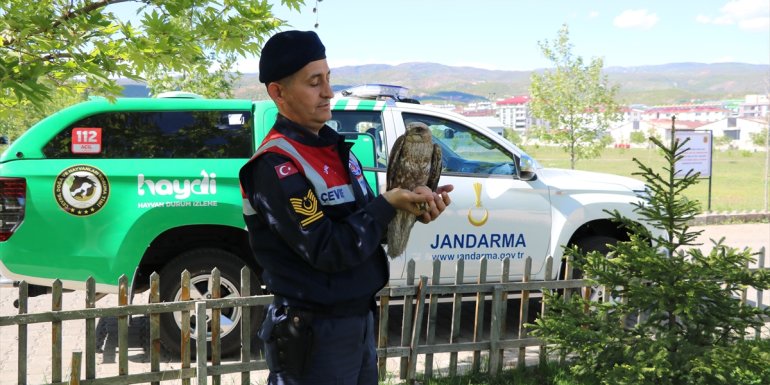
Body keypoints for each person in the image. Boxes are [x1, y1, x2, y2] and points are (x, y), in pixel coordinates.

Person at [239, 30, 453, 385]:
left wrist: (411, 212)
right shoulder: (276, 164)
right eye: (314, 82)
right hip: (314, 334)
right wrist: (387, 204)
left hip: (357, 322)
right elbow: (328, 249)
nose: (328, 92)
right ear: (278, 92)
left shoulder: (335, 150)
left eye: (328, 78)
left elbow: (364, 228)